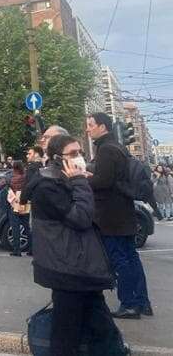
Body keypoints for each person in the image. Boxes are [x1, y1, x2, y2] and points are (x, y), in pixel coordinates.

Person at [30, 134, 122, 355]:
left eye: (80, 152)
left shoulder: (67, 181)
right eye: (72, 154)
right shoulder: (47, 186)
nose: (79, 157)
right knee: (66, 334)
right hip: (66, 269)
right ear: (56, 158)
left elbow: (92, 215)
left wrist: (82, 182)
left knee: (103, 330)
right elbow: (81, 218)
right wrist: (80, 182)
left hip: (81, 267)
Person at [85, 112, 151, 319]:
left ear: (102, 126)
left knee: (120, 260)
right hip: (123, 213)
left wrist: (84, 177)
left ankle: (129, 304)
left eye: (90, 125)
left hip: (111, 216)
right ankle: (142, 302)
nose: (88, 129)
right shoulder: (118, 147)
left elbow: (104, 182)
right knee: (131, 258)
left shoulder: (106, 149)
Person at [7, 161, 31, 257]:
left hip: (14, 203)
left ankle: (17, 250)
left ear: (13, 168)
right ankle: (32, 248)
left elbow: (0, 186)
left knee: (15, 227)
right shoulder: (26, 177)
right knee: (27, 227)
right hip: (25, 202)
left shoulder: (11, 178)